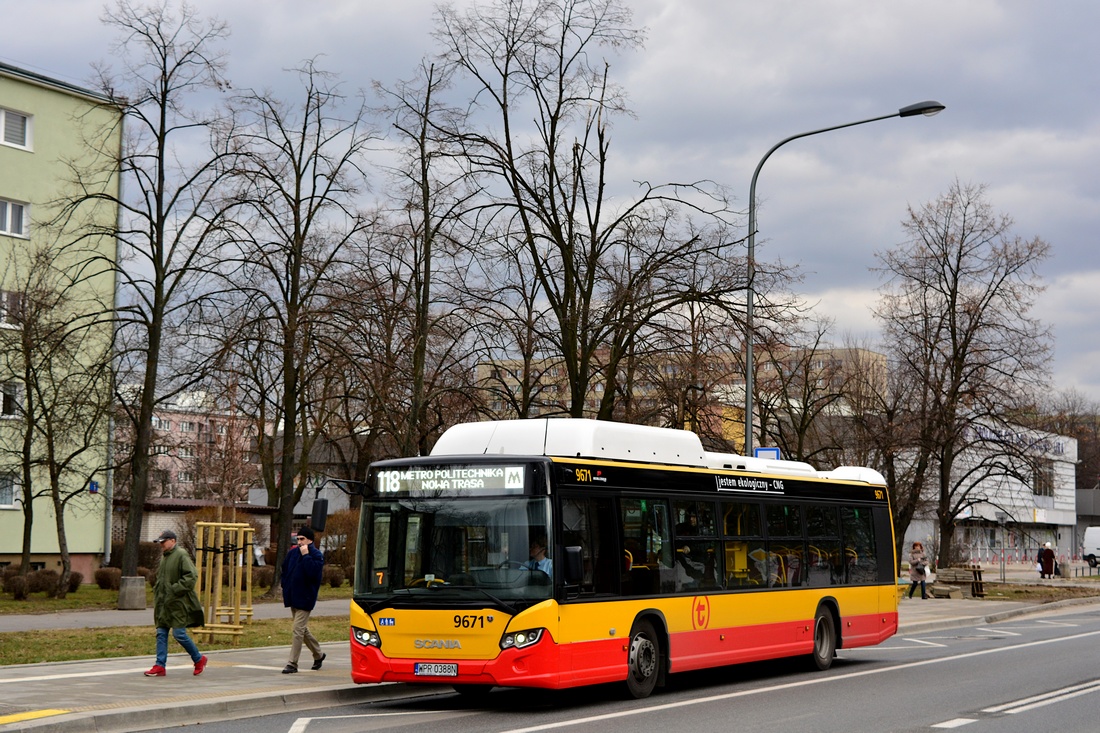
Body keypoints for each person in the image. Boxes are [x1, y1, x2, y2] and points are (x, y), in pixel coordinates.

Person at [145, 530, 207, 677]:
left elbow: (191, 576)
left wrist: (174, 590)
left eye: (163, 542)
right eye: (160, 542)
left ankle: (199, 659)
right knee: (161, 633)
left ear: (172, 540)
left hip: (178, 603)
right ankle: (160, 665)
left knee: (179, 634)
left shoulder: (181, 555)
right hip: (164, 603)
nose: (161, 545)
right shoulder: (165, 557)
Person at [281, 525, 326, 674]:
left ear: (310, 540)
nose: (299, 542)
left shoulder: (316, 555)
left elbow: (313, 573)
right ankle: (318, 654)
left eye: (302, 539)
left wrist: (306, 555)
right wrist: (285, 586)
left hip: (305, 598)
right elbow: (285, 569)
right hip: (293, 596)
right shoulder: (293, 553)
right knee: (302, 629)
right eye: (298, 539)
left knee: (297, 630)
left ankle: (292, 663)